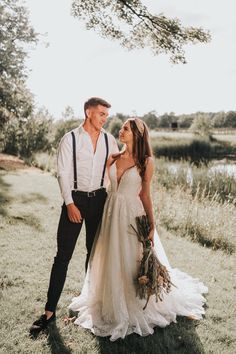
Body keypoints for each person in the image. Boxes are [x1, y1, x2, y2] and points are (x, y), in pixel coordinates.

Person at [69, 118, 208, 342]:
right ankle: (108, 300)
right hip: (111, 212)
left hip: (132, 214)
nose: (121, 130)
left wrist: (152, 224)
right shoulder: (112, 157)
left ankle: (134, 302)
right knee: (110, 255)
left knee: (131, 258)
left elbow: (145, 195)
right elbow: (100, 183)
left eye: (126, 128)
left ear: (137, 134)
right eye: (122, 127)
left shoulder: (146, 161)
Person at [30, 97, 119, 336]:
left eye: (106, 116)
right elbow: (63, 173)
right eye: (101, 114)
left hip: (100, 201)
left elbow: (118, 167)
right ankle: (49, 312)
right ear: (88, 112)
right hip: (75, 200)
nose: (104, 119)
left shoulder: (110, 141)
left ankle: (91, 304)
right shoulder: (69, 139)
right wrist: (69, 203)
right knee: (63, 256)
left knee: (95, 255)